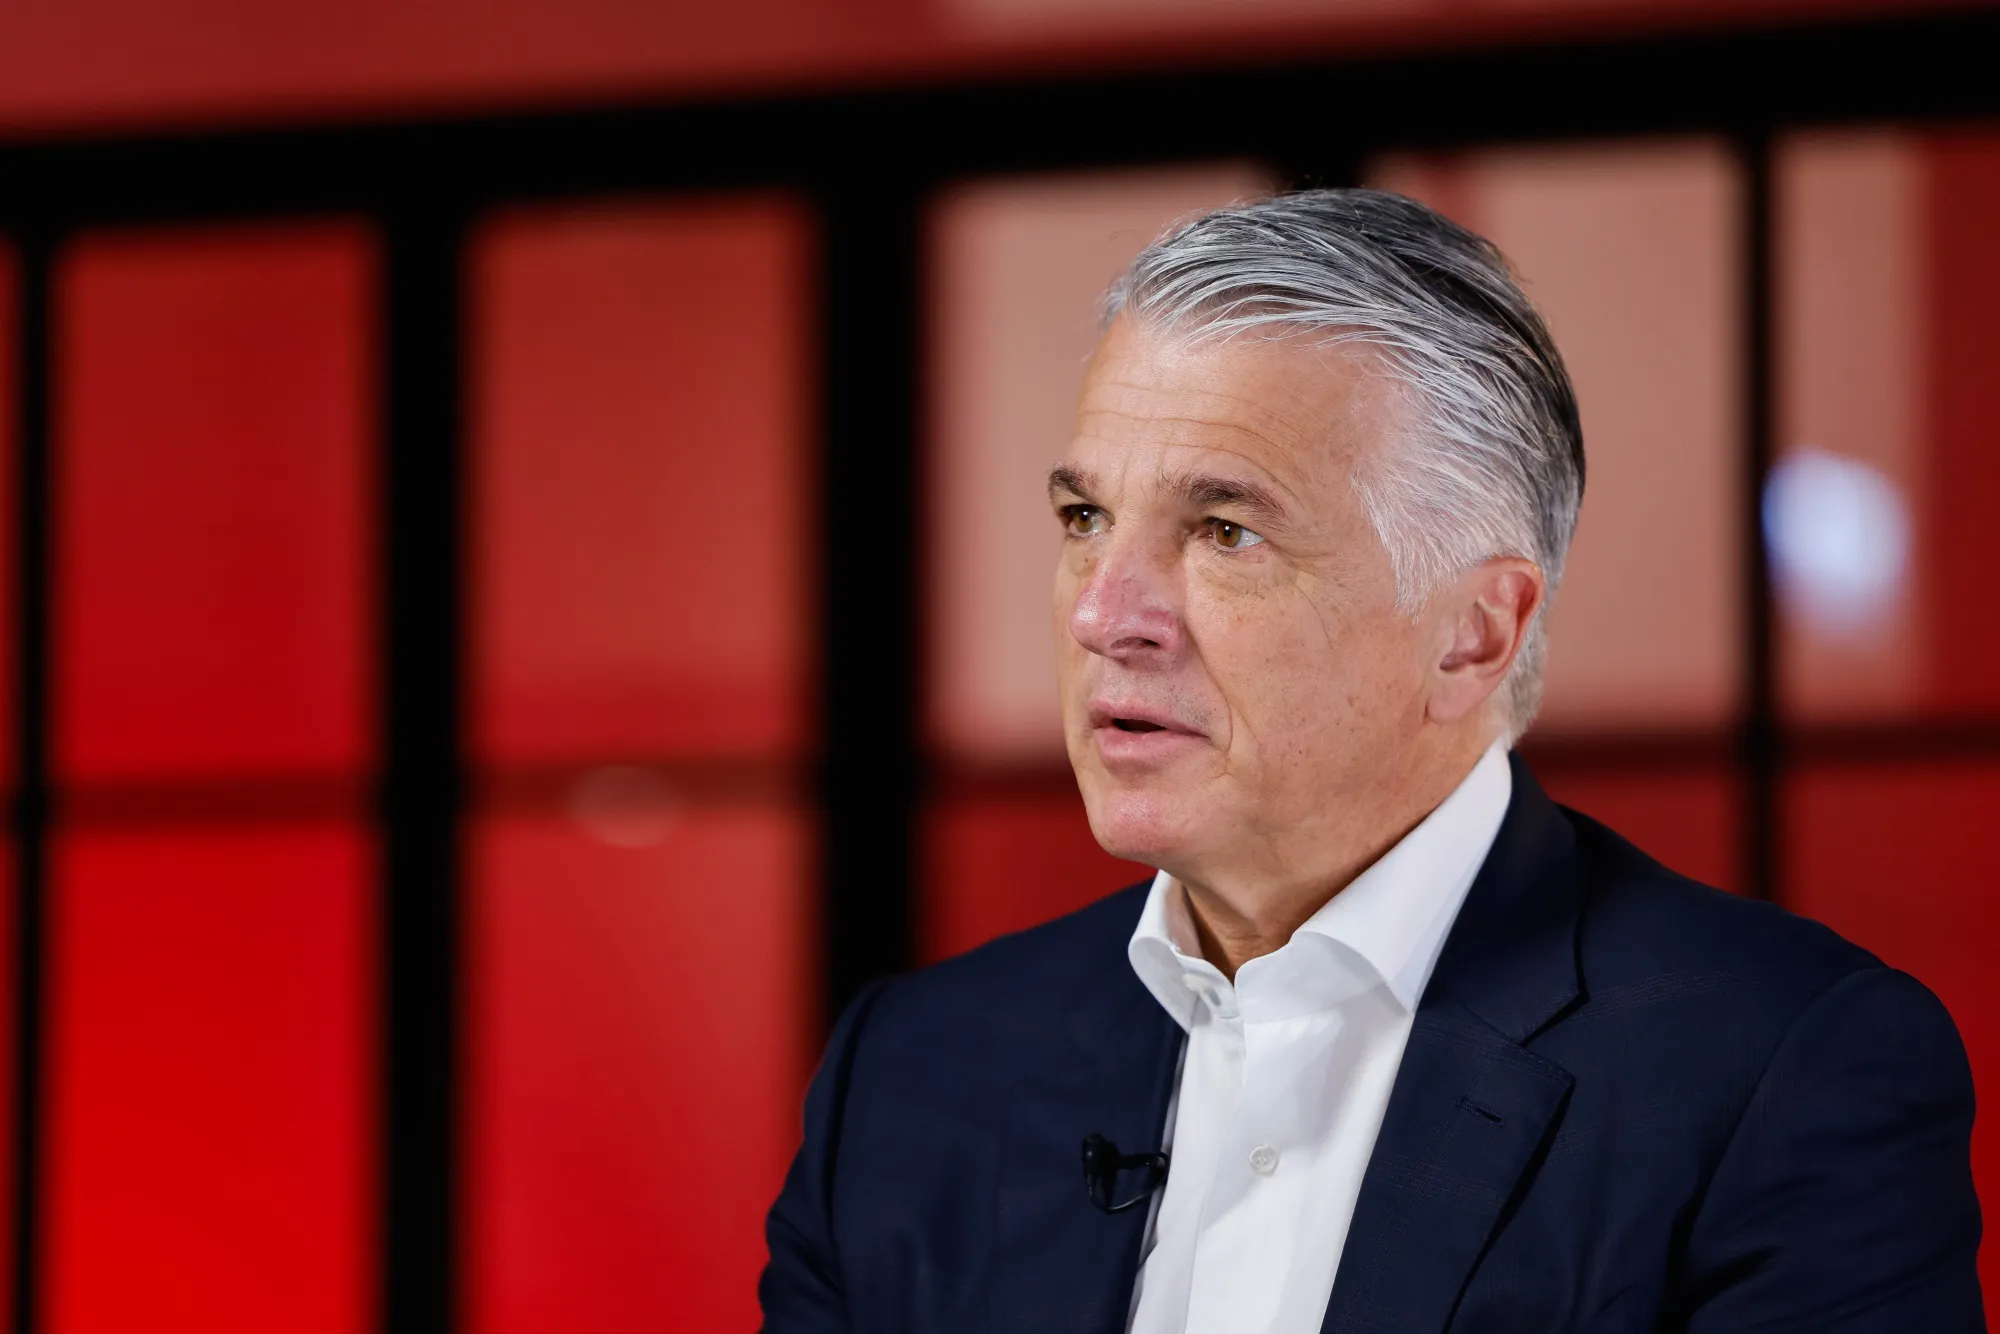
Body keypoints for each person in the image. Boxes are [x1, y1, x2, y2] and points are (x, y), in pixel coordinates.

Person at [758, 189, 1984, 1332]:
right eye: (1085, 518)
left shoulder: (1782, 1071)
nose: (1102, 612)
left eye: (1223, 530)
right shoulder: (909, 1072)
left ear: (1472, 633)